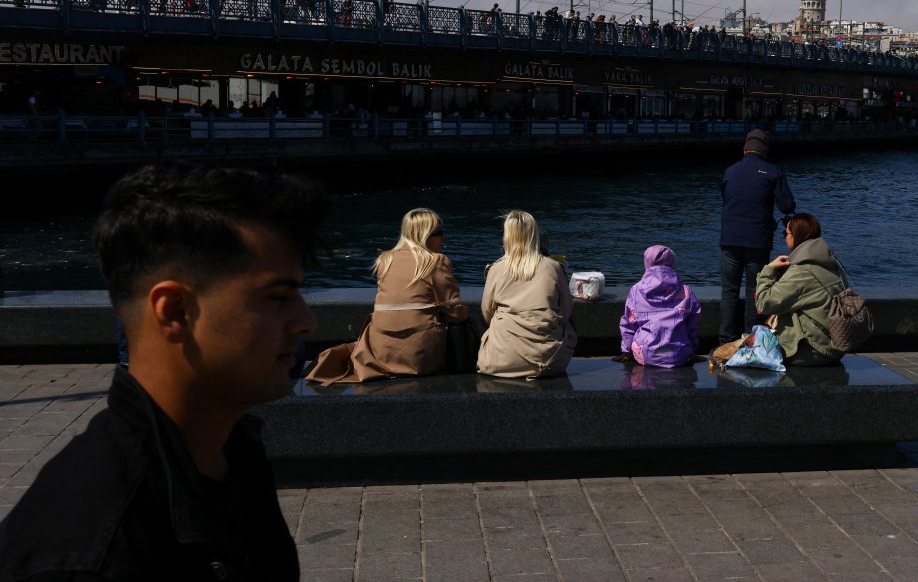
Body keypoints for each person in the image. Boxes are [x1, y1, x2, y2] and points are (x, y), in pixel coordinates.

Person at [0, 162, 329, 580]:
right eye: (278, 296)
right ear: (175, 311)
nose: (306, 321)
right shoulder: (88, 553)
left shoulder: (232, 453)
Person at [306, 208, 468, 382]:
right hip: (420, 358)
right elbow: (454, 311)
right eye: (439, 233)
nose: (443, 237)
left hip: (381, 353)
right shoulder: (435, 261)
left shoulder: (385, 260)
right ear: (426, 235)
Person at [719, 128, 796, 344]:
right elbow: (787, 205)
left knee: (729, 292)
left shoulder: (730, 171)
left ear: (745, 149)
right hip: (757, 241)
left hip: (729, 240)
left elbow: (726, 199)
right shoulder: (772, 172)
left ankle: (726, 340)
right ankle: (751, 339)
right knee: (756, 291)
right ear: (765, 151)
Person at [478, 210, 576, 379]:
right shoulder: (553, 267)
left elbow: (487, 313)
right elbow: (566, 311)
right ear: (534, 234)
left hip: (501, 359)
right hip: (548, 361)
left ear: (507, 236)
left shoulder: (496, 269)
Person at [754, 213, 847, 366]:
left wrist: (768, 269)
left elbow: (763, 303)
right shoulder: (833, 263)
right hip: (835, 347)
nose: (784, 237)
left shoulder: (802, 272)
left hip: (810, 351)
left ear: (797, 236)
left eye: (786, 233)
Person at [618, 245, 701, 368]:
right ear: (673, 263)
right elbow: (692, 325)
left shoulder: (636, 290)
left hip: (646, 354)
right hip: (679, 354)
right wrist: (692, 347)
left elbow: (629, 324)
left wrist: (626, 350)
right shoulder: (685, 291)